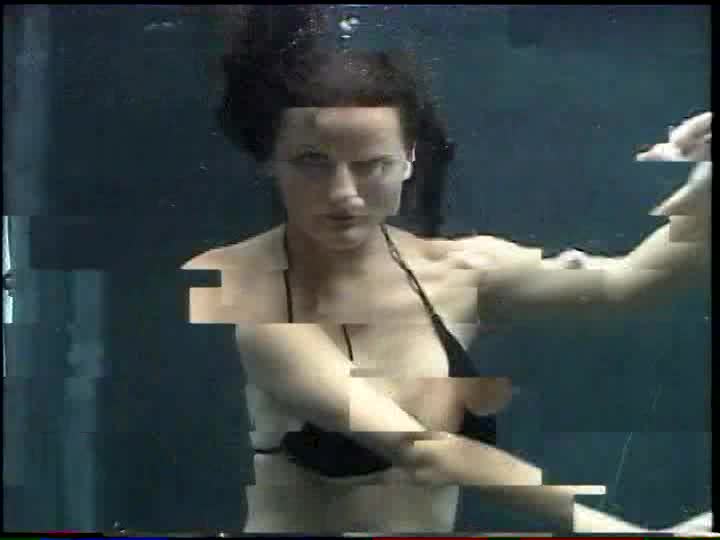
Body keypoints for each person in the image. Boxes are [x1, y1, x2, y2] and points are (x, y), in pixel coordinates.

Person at [182, 6, 712, 534]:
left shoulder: (462, 271)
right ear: (271, 162)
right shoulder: (265, 309)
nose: (343, 193)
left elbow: (632, 283)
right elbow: (422, 449)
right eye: (312, 163)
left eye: (371, 165)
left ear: (408, 161)